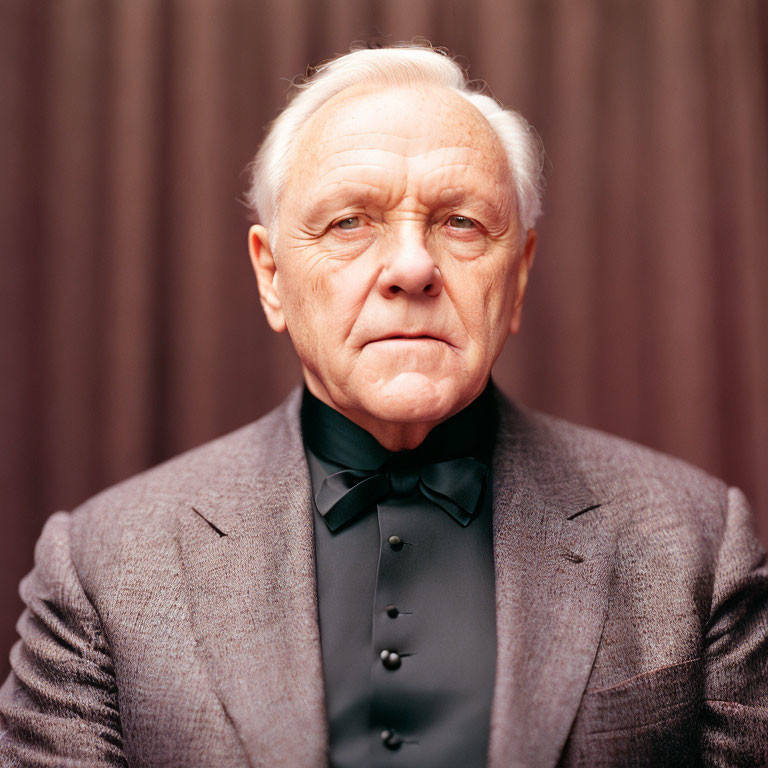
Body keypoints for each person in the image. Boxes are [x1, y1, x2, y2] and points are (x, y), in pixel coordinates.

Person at [1, 43, 766, 768]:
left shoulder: (697, 542)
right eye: (349, 222)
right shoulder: (101, 565)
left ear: (521, 273)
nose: (411, 267)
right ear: (272, 275)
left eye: (461, 222)